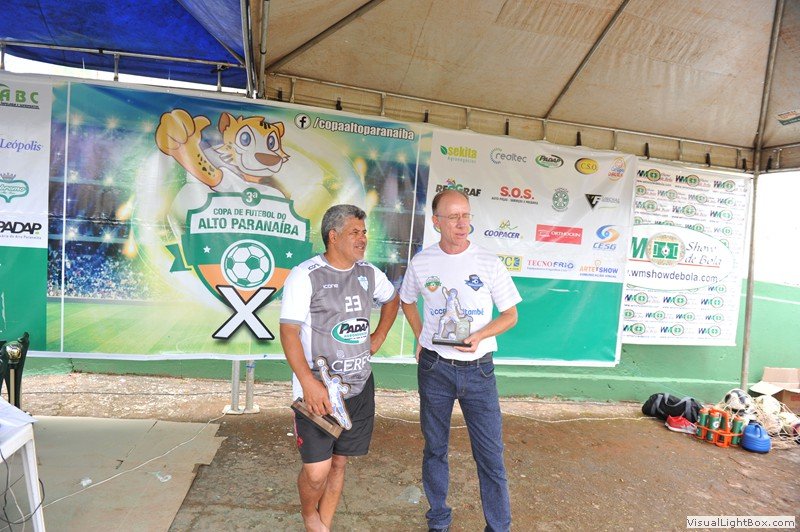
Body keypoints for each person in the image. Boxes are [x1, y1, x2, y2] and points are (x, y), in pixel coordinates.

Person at [399, 189, 521, 532]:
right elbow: (406, 300)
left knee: (491, 456)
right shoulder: (422, 262)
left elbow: (510, 315)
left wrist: (480, 335)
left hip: (479, 371)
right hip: (435, 368)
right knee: (435, 449)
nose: (462, 223)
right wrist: (421, 335)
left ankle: (499, 527)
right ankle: (438, 519)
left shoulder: (488, 262)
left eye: (465, 215)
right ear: (436, 222)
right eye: (453, 217)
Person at [280, 204, 399, 532]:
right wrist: (308, 383)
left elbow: (392, 299)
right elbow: (288, 333)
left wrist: (379, 335)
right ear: (333, 236)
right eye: (354, 232)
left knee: (338, 464)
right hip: (318, 392)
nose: (363, 239)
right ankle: (310, 515)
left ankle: (323, 526)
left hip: (358, 388)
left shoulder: (369, 273)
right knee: (316, 472)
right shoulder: (306, 275)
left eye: (364, 232)